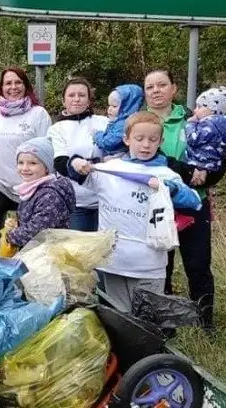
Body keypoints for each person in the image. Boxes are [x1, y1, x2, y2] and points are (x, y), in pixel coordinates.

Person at [67, 111, 202, 312]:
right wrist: (75, 162)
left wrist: (168, 188)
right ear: (126, 139)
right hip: (111, 263)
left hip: (149, 266)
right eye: (139, 139)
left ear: (161, 141)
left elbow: (194, 201)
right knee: (117, 323)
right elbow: (76, 173)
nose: (146, 145)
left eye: (152, 139)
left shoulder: (166, 174)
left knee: (146, 325)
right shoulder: (109, 169)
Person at [143, 69, 226, 333]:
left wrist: (209, 175)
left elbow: (218, 154)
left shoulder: (194, 118)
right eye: (150, 87)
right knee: (160, 266)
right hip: (154, 205)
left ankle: (204, 323)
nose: (156, 90)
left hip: (194, 203)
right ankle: (165, 323)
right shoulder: (138, 122)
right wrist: (188, 172)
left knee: (198, 265)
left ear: (174, 88)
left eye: (161, 85)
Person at [0, 67, 52, 231]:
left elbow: (47, 153)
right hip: (1, 182)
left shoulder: (38, 114)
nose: (13, 87)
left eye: (18, 82)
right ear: (1, 88)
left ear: (25, 85)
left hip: (31, 185)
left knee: (25, 230)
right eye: (8, 83)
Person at [47, 77, 109, 231]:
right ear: (63, 101)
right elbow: (60, 162)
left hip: (105, 200)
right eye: (71, 95)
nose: (76, 99)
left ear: (88, 101)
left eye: (81, 95)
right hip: (75, 202)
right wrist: (77, 166)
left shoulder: (104, 122)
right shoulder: (57, 128)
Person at [3, 136, 75, 248]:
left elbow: (36, 233)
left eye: (32, 163)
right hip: (35, 253)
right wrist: (15, 224)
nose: (24, 168)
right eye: (20, 162)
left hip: (49, 256)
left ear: (47, 167)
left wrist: (10, 235)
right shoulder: (31, 188)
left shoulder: (49, 196)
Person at [185, 86, 226, 174]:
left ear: (212, 109)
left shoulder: (210, 126)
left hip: (200, 165)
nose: (195, 110)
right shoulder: (223, 126)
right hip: (213, 166)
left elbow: (193, 139)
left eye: (199, 106)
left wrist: (190, 124)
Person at [93, 83, 145, 159]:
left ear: (127, 107)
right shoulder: (118, 120)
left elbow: (109, 142)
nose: (110, 109)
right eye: (109, 105)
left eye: (114, 106)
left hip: (119, 156)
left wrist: (97, 135)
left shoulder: (125, 123)